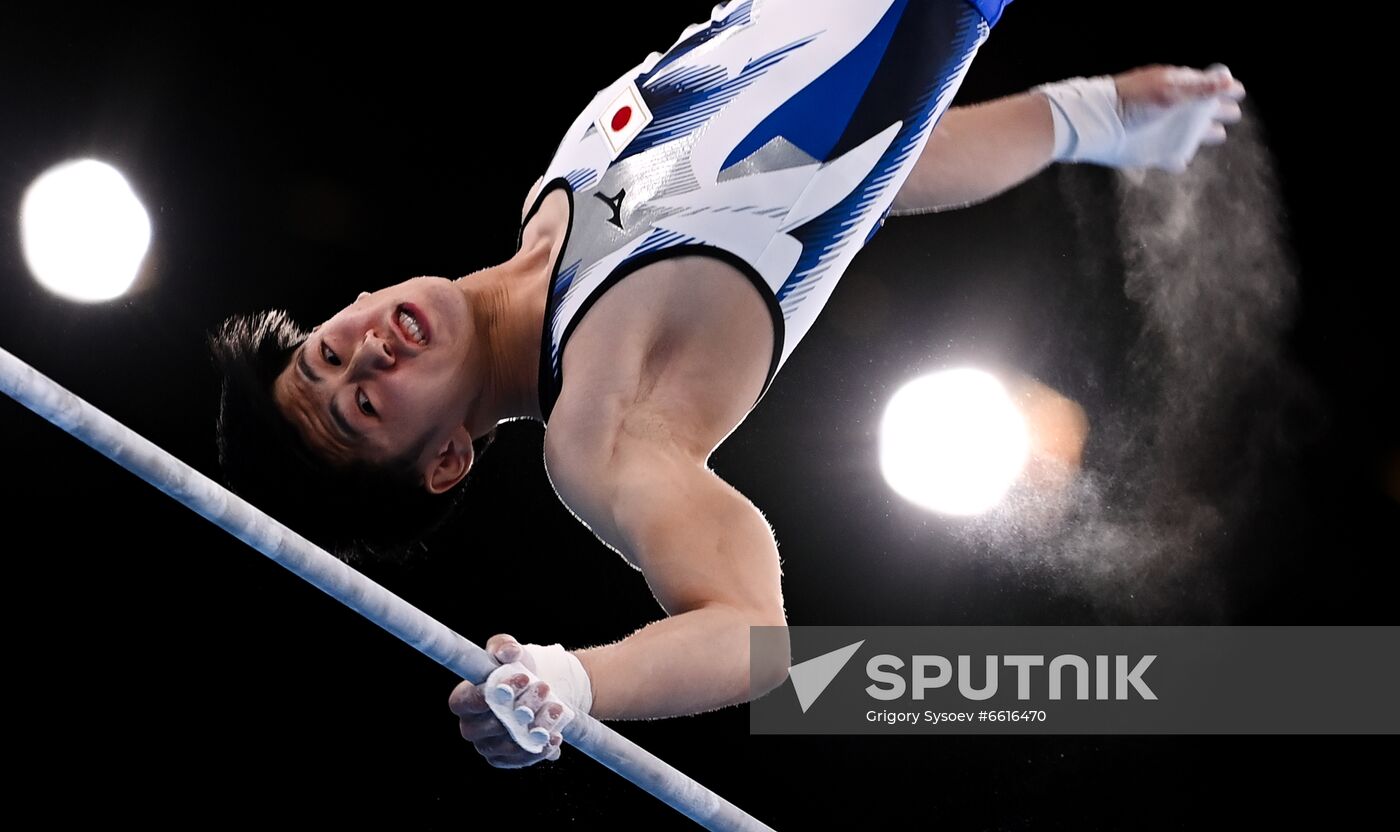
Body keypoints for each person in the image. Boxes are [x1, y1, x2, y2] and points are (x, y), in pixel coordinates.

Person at [208, 0, 1245, 768]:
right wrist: (577, 683)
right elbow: (752, 636)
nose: (365, 353)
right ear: (441, 460)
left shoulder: (555, 187)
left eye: (325, 352)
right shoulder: (599, 428)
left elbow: (869, 168)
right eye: (358, 404)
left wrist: (1084, 117)